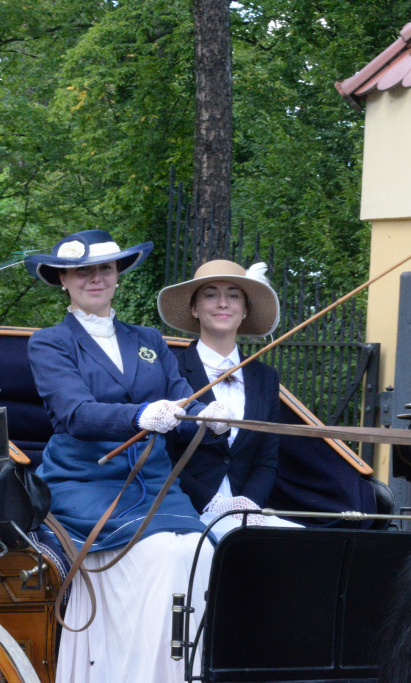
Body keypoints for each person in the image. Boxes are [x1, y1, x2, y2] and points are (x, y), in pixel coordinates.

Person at [24, 229, 233, 683]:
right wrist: (139, 414)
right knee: (164, 556)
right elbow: (74, 412)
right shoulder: (50, 343)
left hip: (158, 487)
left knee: (202, 553)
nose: (94, 279)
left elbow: (182, 398)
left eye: (104, 268)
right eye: (81, 272)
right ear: (63, 279)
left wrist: (208, 415)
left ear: (118, 275)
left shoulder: (149, 340)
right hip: (85, 484)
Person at [158, 260, 284, 520]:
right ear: (194, 308)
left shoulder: (265, 378)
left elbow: (266, 458)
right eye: (211, 294)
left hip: (249, 511)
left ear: (245, 309)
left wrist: (247, 507)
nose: (223, 303)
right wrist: (211, 504)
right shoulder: (170, 369)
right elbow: (162, 455)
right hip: (185, 510)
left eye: (234, 295)